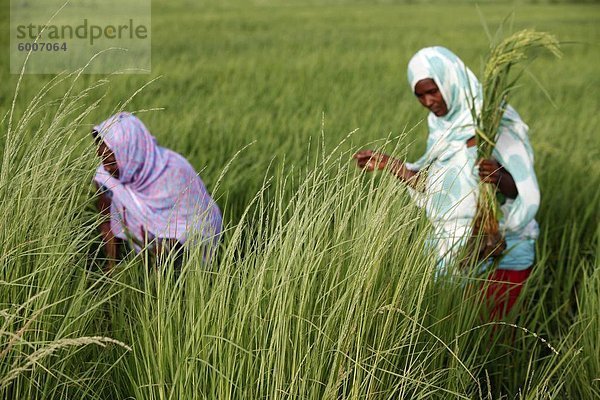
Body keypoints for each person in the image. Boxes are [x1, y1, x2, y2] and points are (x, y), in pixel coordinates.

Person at [354, 47, 540, 318]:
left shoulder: (493, 119)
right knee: (459, 332)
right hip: (457, 252)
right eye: (420, 95)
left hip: (503, 248)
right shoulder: (441, 127)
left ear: (450, 80)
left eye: (433, 91)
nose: (429, 101)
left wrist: (498, 177)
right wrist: (390, 165)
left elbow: (523, 186)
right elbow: (437, 185)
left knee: (495, 335)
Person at [93, 112, 222, 271]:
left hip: (190, 246)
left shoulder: (173, 172)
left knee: (169, 265)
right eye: (102, 159)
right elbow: (106, 219)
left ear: (130, 154)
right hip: (150, 245)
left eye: (112, 162)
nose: (106, 168)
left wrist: (159, 261)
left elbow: (195, 226)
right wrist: (111, 266)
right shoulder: (107, 177)